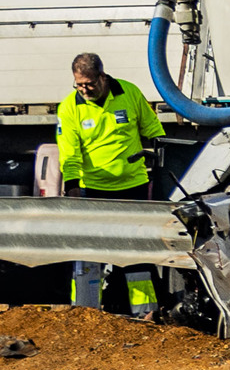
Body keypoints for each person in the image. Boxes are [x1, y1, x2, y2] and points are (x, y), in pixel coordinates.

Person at [55, 53, 165, 314]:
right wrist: (72, 185)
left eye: (89, 84)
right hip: (94, 189)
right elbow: (69, 152)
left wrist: (163, 164)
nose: (84, 90)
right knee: (88, 254)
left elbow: (154, 130)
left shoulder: (129, 93)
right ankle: (83, 312)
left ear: (102, 77)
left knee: (137, 254)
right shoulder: (70, 107)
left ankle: (145, 313)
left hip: (133, 186)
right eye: (79, 85)